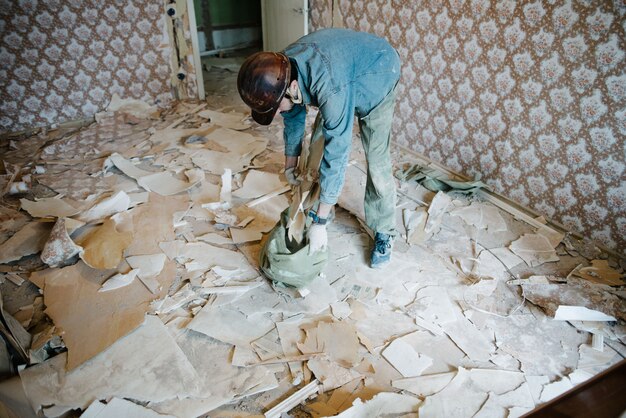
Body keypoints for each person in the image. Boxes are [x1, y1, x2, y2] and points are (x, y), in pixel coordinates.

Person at [237, 28, 400, 269]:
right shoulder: (281, 68)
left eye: (276, 107)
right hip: (342, 72)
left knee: (376, 160)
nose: (278, 111)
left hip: (379, 71)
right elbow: (292, 115)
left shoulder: (329, 88)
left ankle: (385, 231)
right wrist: (290, 164)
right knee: (316, 146)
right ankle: (314, 208)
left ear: (292, 88)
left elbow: (338, 150)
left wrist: (321, 224)